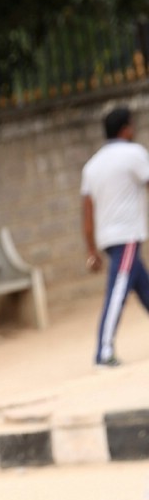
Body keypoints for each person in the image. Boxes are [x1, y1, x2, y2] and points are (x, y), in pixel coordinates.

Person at [82, 105, 149, 367]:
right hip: (127, 235)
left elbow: (86, 212)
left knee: (144, 287)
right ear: (126, 128)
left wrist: (90, 250)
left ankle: (104, 348)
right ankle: (103, 351)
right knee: (117, 291)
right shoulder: (133, 153)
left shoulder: (92, 165)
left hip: (107, 238)